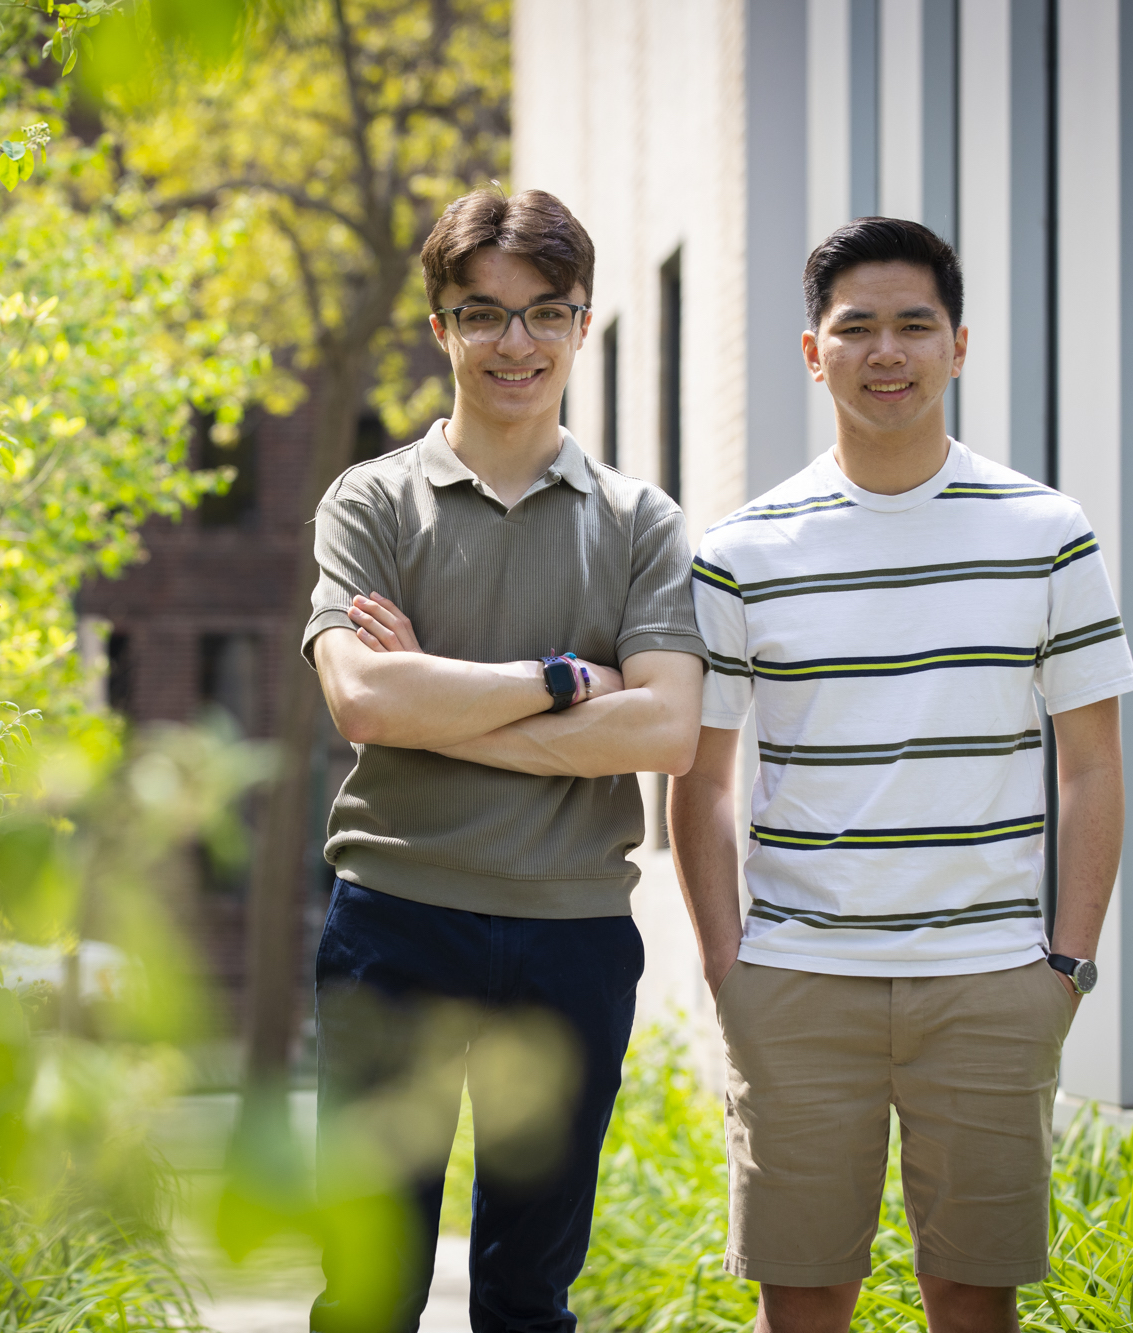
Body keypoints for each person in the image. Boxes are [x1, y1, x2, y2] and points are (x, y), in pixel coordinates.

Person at [670, 216, 1133, 1333]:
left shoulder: (1045, 532)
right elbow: (699, 780)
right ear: (811, 350)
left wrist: (1062, 965)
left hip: (990, 979)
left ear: (957, 346)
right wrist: (728, 966)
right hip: (796, 979)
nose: (886, 352)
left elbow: (1090, 766)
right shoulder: (742, 549)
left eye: (912, 327)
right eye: (857, 328)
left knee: (972, 1297)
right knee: (806, 1294)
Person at [301, 187, 707, 1332]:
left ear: (582, 325)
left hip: (570, 936)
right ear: (438, 330)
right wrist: (567, 681)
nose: (513, 344)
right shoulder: (370, 501)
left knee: (528, 1293)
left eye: (543, 314)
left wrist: (451, 697)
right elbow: (368, 699)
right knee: (368, 1287)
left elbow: (665, 731)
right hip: (395, 921)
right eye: (480, 315)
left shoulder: (640, 523)